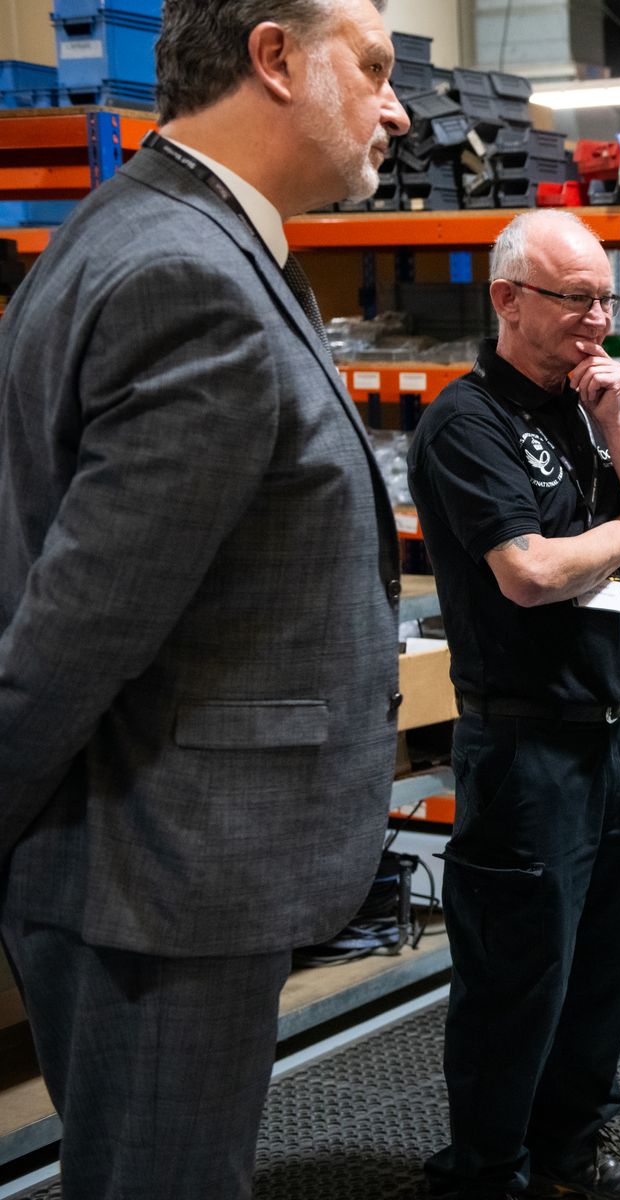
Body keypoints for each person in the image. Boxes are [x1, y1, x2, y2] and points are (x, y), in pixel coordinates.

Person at [0, 2, 408, 1197]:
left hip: (148, 862)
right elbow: (83, 625)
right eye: (374, 69)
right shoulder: (190, 275)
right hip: (160, 879)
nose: (396, 106)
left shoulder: (145, 231)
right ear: (275, 59)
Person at [407, 209, 620, 1200]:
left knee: (601, 972)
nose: (594, 320)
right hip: (520, 746)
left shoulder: (586, 405)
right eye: (573, 299)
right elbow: (527, 574)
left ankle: (570, 1158)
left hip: (602, 736)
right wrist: (616, 534)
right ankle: (485, 1175)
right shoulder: (465, 423)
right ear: (507, 301)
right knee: (515, 985)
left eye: (604, 299)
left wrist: (615, 423)